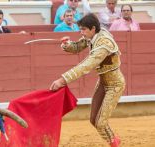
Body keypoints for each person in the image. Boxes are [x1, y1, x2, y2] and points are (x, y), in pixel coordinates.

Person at [49, 13, 124, 147]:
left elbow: (86, 65)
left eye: (83, 29)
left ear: (93, 28)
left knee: (100, 123)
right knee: (93, 119)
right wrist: (67, 44)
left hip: (115, 85)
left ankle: (114, 143)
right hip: (103, 82)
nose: (81, 32)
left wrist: (63, 79)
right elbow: (77, 46)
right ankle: (114, 141)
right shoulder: (93, 35)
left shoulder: (104, 43)